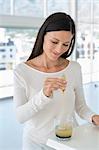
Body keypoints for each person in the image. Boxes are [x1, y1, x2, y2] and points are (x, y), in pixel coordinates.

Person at [13, 12, 99, 150]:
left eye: (66, 44)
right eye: (54, 42)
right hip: (36, 143)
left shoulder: (74, 68)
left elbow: (81, 107)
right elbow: (20, 117)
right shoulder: (22, 71)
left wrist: (94, 117)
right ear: (43, 36)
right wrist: (44, 95)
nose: (59, 49)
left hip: (68, 141)